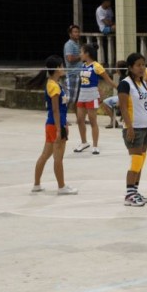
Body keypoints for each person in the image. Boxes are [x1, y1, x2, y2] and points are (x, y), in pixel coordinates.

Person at [28, 55, 77, 195]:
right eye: (61, 66)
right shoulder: (53, 86)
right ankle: (62, 187)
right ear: (56, 68)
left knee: (45, 155)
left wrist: (64, 122)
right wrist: (59, 129)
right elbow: (55, 110)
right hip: (55, 125)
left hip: (53, 124)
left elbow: (60, 109)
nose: (63, 68)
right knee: (58, 158)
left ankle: (36, 185)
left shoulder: (53, 83)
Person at [118, 53, 147, 207]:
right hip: (134, 129)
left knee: (142, 160)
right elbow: (123, 107)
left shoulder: (144, 84)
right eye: (138, 65)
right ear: (130, 67)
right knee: (136, 161)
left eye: (143, 64)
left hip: (146, 128)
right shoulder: (125, 84)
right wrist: (129, 127)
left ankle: (135, 190)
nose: (142, 68)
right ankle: (129, 194)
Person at [74, 44, 117, 155]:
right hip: (82, 94)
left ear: (87, 53)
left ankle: (95, 145)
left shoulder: (97, 66)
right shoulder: (83, 65)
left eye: (81, 52)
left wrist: (120, 87)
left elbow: (108, 80)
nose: (80, 54)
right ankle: (84, 142)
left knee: (93, 121)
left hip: (92, 95)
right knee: (80, 120)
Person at [100, 60, 127, 129]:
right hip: (121, 96)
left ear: (118, 69)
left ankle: (114, 120)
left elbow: (123, 91)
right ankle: (113, 120)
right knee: (108, 100)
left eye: (116, 67)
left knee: (104, 103)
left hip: (123, 97)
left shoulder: (123, 78)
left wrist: (120, 101)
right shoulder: (123, 77)